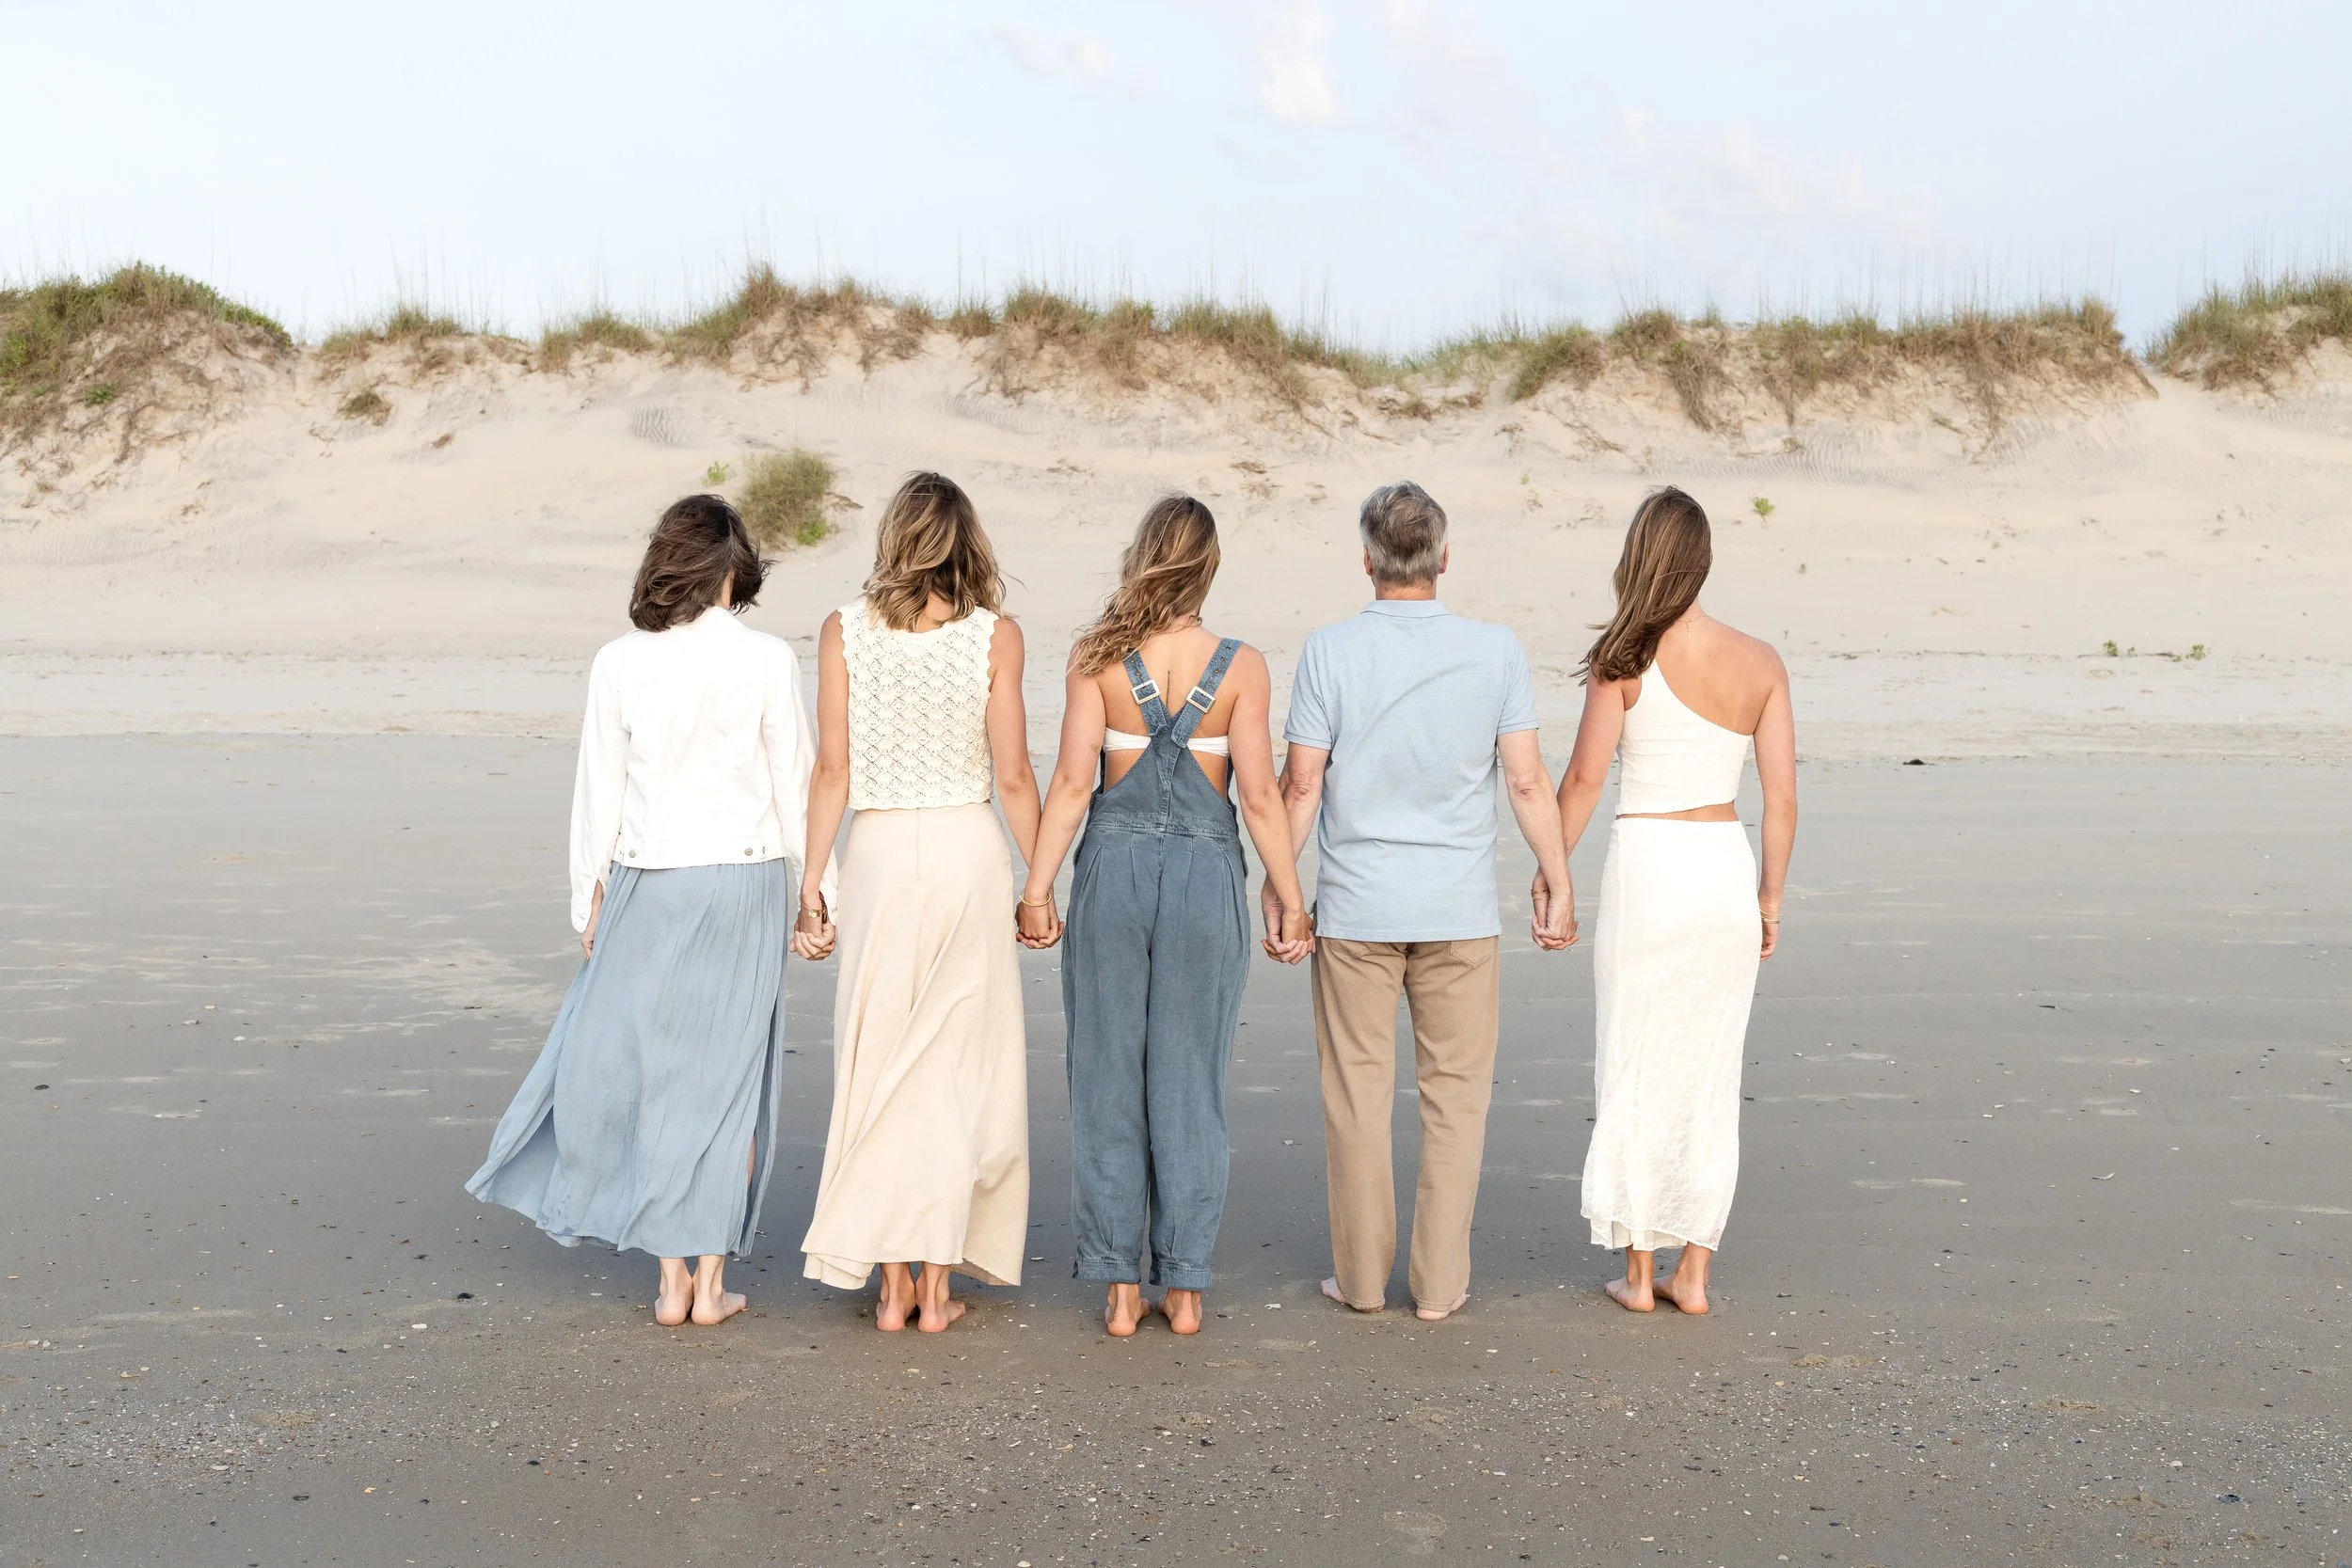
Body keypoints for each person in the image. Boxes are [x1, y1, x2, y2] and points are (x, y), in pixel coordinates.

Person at [468, 494, 829, 1328]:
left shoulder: (618, 661)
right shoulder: (769, 658)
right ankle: (710, 1283)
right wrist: (818, 897)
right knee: (728, 1086)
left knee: (657, 1079)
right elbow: (796, 782)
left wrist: (585, 895)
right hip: (742, 882)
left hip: (645, 882)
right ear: (731, 565)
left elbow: (599, 789)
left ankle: (671, 1281)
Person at [1272, 482, 1577, 1323]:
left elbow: (1301, 785)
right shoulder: (1496, 651)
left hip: (1359, 911)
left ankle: (1363, 1284)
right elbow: (1524, 778)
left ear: (1367, 560)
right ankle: (1440, 1287)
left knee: (1357, 1100)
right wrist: (1556, 875)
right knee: (1456, 1102)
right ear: (1443, 558)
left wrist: (1281, 886)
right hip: (1458, 912)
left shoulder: (1329, 650)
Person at [1015, 495, 1314, 1338]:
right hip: (1202, 872)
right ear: (1208, 568)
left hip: (1113, 870)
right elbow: (1259, 794)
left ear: (1141, 556)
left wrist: (1037, 890)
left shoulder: (1098, 657)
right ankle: (1182, 1286)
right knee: (1191, 1081)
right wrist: (1291, 901)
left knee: (1106, 1076)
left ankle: (1117, 1286)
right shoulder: (1242, 665)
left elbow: (1073, 785)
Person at [794, 471, 1043, 1334]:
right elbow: (1013, 773)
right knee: (955, 1066)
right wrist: (1042, 877)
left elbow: (832, 769)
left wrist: (810, 889)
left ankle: (892, 1281)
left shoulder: (842, 632)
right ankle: (938, 1286)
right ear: (967, 542)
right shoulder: (995, 637)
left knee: (880, 1057)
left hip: (878, 853)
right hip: (969, 851)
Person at [1551, 485, 1797, 1315]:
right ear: (1705, 562)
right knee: (1709, 1072)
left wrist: (1553, 872)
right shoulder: (1760, 660)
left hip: (1649, 867)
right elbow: (1784, 798)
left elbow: (1585, 779)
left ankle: (1639, 1270)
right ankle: (1693, 1273)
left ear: (1637, 557)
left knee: (1634, 1058)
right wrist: (1769, 897)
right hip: (1721, 866)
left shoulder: (1622, 658)